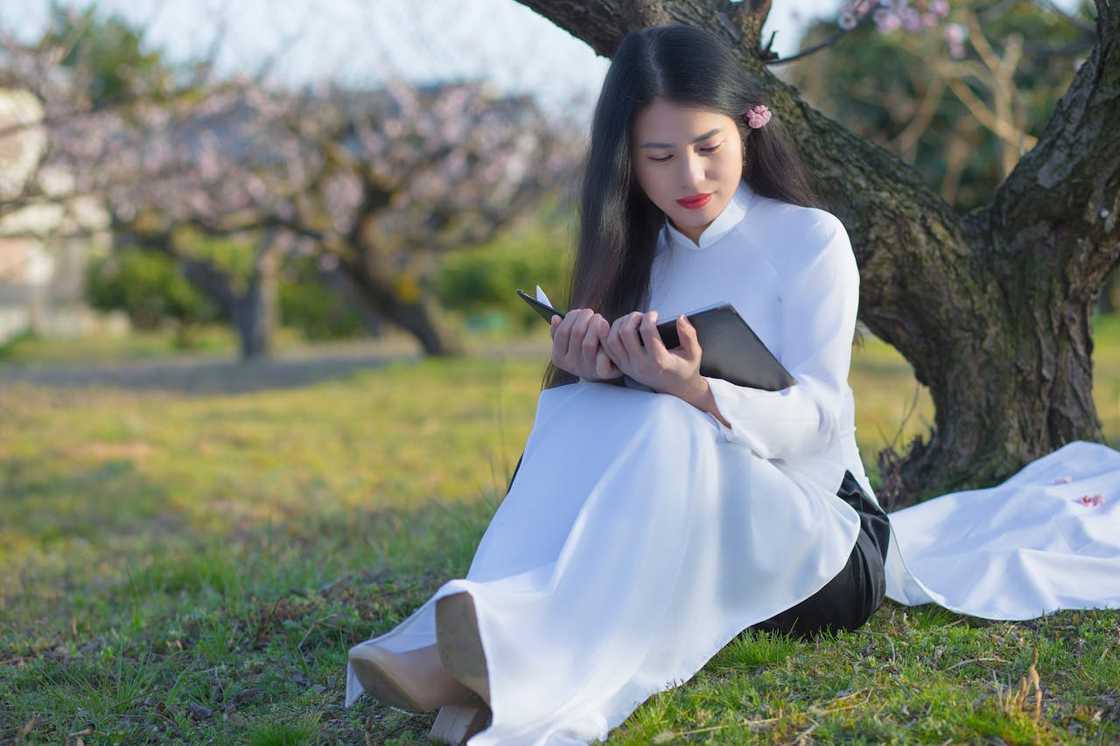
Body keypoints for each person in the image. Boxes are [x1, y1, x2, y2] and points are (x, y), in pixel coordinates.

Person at [345, 23, 893, 745]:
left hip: (824, 542)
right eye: (660, 157)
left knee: (667, 421)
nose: (690, 179)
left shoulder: (809, 239)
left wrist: (694, 389)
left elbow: (821, 418)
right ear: (627, 164)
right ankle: (491, 653)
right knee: (580, 414)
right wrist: (590, 372)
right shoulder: (633, 258)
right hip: (691, 530)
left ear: (748, 130)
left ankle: (478, 666)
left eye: (708, 148)